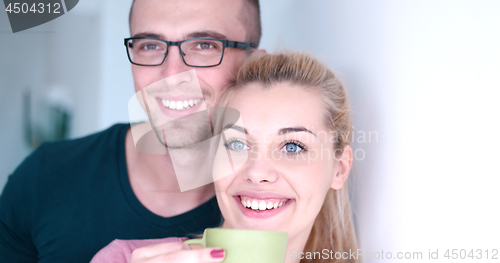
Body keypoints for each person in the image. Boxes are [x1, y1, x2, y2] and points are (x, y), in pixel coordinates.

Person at [0, 0, 263, 262]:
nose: (171, 73)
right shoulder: (44, 177)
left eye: (204, 45)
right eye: (150, 45)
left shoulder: (280, 200)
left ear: (255, 65)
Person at [90, 52, 360, 263]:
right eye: (237, 144)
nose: (257, 171)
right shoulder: (123, 259)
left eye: (292, 147)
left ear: (340, 168)